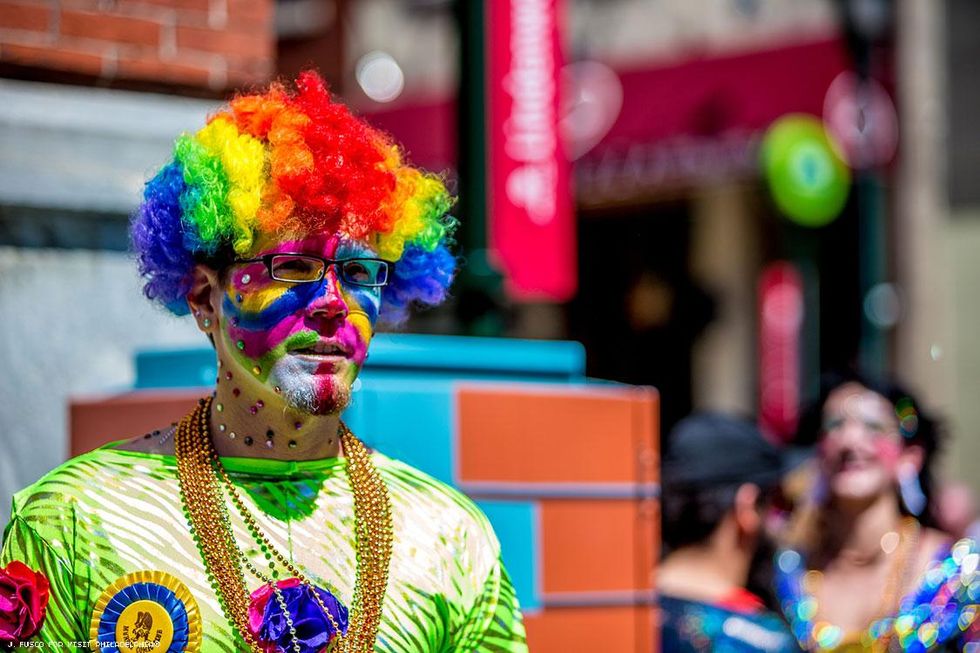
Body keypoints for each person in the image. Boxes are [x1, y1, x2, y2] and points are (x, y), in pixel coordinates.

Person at [0, 72, 528, 652]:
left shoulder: (450, 539)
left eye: (358, 272)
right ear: (206, 298)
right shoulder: (75, 521)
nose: (332, 304)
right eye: (294, 267)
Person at [775, 370, 978, 651]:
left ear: (910, 456)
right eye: (835, 425)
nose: (850, 441)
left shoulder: (958, 574)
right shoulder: (788, 573)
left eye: (873, 426)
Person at [659, 412, 803, 653]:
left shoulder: (614, 609)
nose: (781, 524)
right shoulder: (761, 641)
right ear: (747, 507)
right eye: (777, 505)